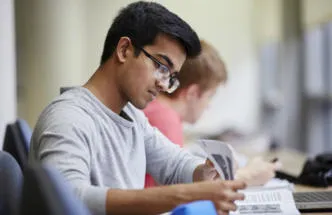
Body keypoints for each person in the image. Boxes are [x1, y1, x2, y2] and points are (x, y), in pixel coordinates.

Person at [29, 2, 246, 215]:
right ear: (124, 50)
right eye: (161, 66)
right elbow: (70, 197)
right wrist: (187, 194)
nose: (163, 84)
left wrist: (204, 172)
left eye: (171, 77)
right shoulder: (69, 117)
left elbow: (173, 163)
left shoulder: (132, 116)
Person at [144, 40, 281, 187]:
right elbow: (173, 192)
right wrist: (246, 177)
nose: (209, 106)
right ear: (193, 93)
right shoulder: (165, 120)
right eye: (210, 96)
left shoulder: (154, 109)